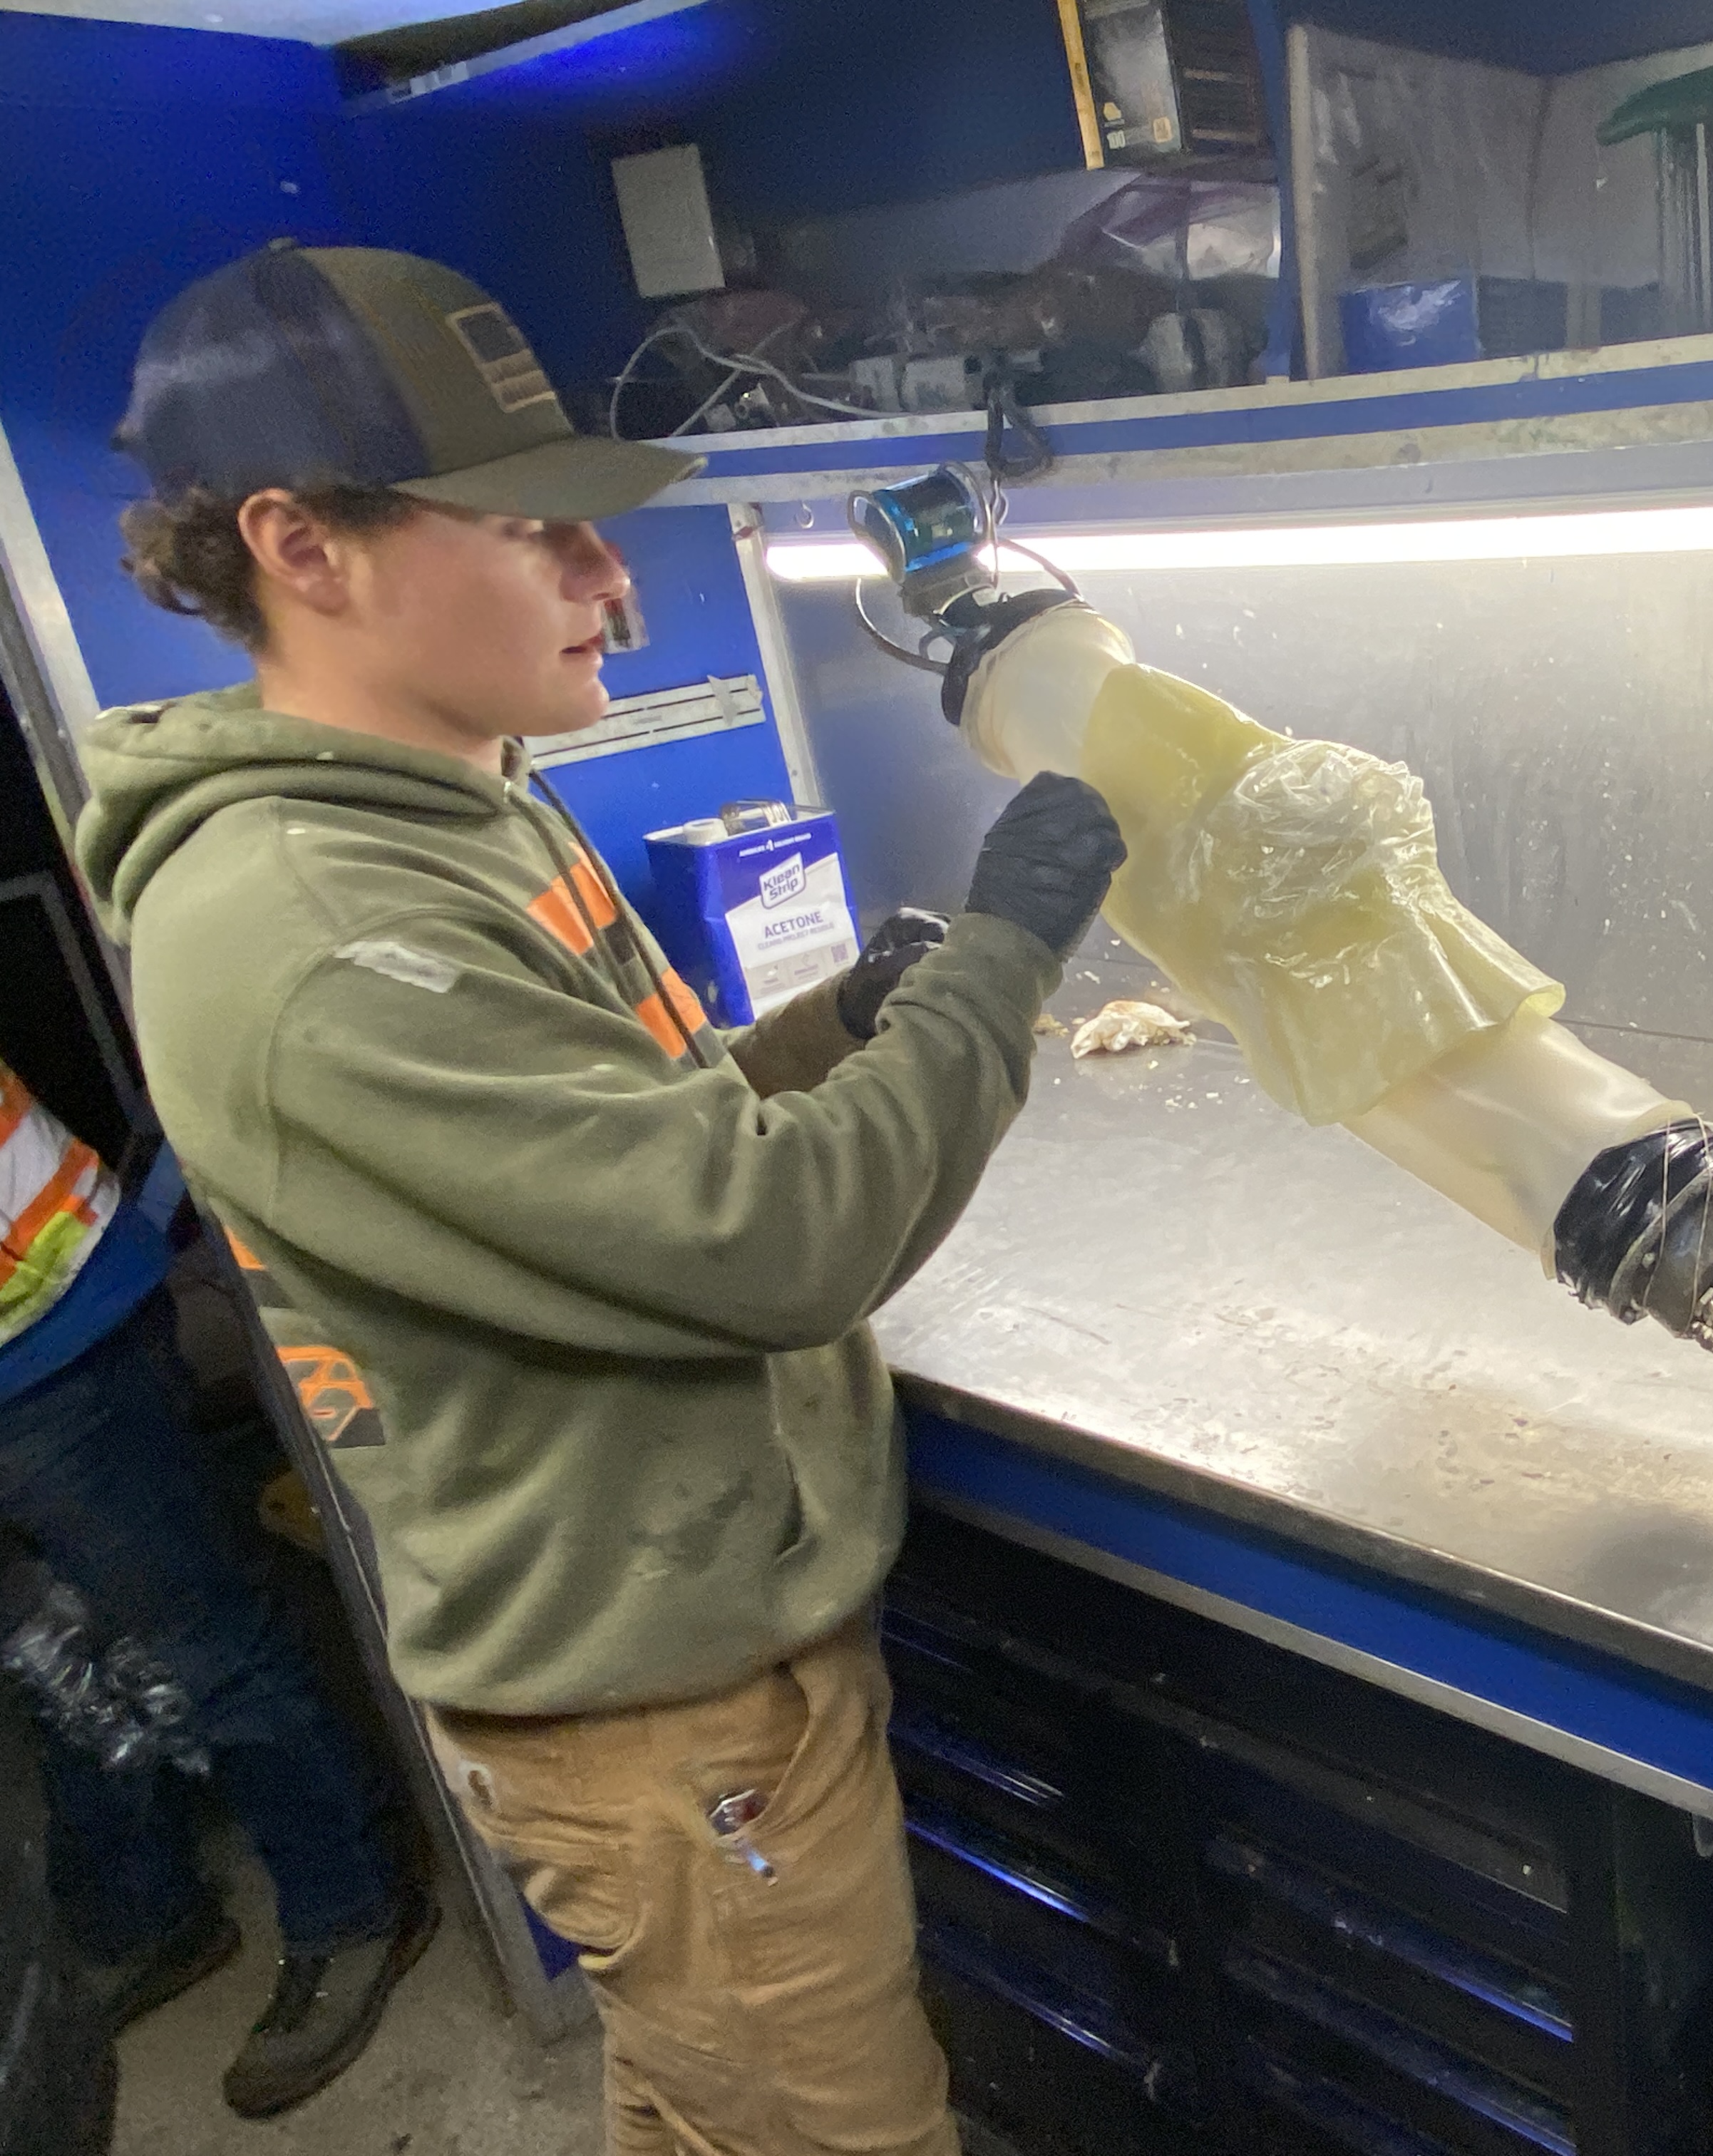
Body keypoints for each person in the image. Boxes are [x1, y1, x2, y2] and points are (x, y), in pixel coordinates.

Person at [73, 240, 1124, 2155]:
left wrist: (839, 1023)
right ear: (305, 547)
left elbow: (624, 1146)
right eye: (540, 535)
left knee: (708, 2101)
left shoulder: (454, 801)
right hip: (663, 1725)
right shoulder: (319, 933)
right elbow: (774, 1241)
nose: (615, 583)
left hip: (699, 1652)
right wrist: (1007, 949)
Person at [0, 1058, 423, 2117]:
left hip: (47, 1323)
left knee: (203, 1643)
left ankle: (353, 1900)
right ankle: (141, 1913)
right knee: (49, 1653)